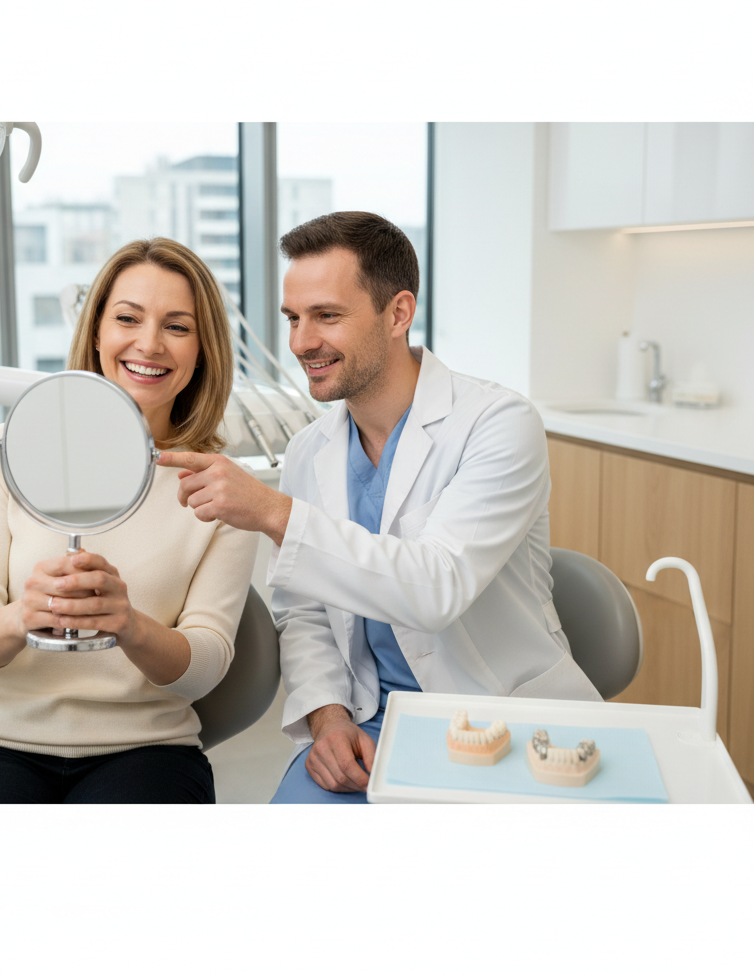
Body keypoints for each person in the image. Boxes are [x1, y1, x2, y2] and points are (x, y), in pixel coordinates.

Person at [156, 211, 601, 804]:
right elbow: (306, 615)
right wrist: (327, 717)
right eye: (294, 318)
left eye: (327, 316)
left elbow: (436, 588)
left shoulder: (498, 425)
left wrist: (274, 512)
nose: (300, 342)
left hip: (497, 718)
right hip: (366, 723)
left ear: (398, 313)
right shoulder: (309, 451)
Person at [0, 238, 259, 804]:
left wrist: (129, 624)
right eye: (127, 318)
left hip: (151, 750)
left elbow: (206, 667)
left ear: (203, 350)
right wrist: (23, 615)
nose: (149, 343)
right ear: (96, 331)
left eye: (177, 326)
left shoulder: (222, 489)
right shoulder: (5, 451)